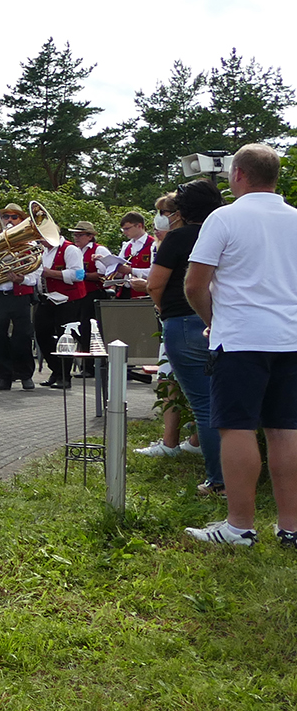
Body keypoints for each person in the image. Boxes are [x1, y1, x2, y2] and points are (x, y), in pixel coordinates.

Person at [184, 146, 297, 549]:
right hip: (290, 338)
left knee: (237, 426)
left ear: (238, 175)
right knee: (285, 430)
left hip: (241, 339)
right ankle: (291, 527)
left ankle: (240, 527)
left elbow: (195, 285)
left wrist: (213, 321)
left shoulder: (224, 217)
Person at [138, 182, 221, 490]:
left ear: (182, 211)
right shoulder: (225, 232)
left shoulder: (178, 237)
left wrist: (164, 310)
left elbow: (154, 284)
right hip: (226, 321)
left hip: (184, 320)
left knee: (204, 404)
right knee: (226, 400)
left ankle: (219, 480)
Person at [0, 202, 38, 392]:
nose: (9, 220)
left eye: (14, 217)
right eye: (6, 217)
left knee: (23, 336)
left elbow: (36, 273)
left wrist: (22, 279)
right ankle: (3, 377)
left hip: (19, 295)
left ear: (22, 220)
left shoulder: (30, 243)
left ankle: (25, 375)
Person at [35, 220, 101, 389]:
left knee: (65, 337)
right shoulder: (43, 251)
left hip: (68, 300)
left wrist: (51, 273)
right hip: (47, 298)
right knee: (42, 335)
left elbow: (78, 274)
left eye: (42, 236)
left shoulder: (70, 249)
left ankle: (64, 376)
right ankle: (56, 370)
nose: (39, 240)